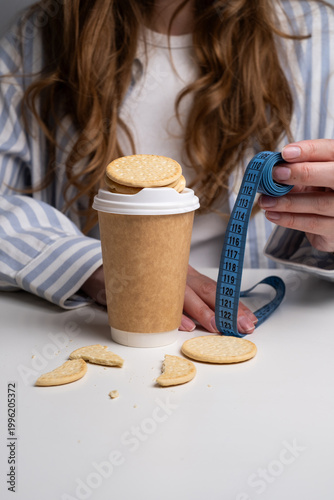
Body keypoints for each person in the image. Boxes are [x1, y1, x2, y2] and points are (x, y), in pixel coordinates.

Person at [0, 0, 333, 335]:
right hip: (104, 331)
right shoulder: (35, 40)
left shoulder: (321, 38)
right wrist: (92, 266)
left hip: (272, 340)